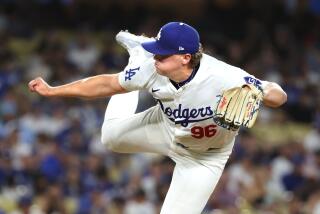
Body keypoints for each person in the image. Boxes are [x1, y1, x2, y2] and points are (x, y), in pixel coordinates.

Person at [28, 22, 287, 213]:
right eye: (154, 50)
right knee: (109, 138)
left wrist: (261, 93)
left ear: (186, 57)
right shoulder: (153, 69)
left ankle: (134, 62)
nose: (157, 57)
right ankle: (133, 63)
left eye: (162, 53)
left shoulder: (225, 77)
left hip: (203, 158)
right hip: (164, 127)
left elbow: (278, 94)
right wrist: (54, 91)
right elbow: (104, 84)